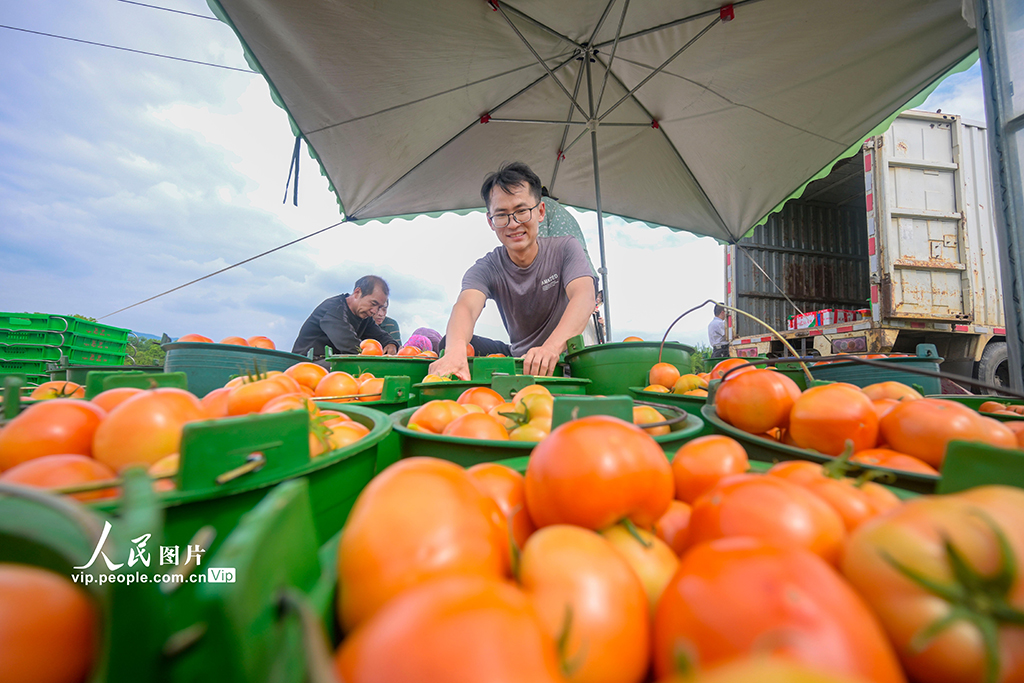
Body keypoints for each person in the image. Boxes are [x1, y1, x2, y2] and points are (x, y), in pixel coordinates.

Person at [429, 162, 597, 380]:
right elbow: (466, 307)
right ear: (490, 222)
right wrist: (454, 351)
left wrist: (550, 348)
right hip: (518, 358)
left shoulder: (565, 248)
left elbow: (584, 296)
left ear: (540, 212)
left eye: (522, 211)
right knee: (450, 343)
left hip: (561, 356)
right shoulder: (487, 268)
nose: (513, 223)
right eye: (502, 215)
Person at [292, 275, 398, 360]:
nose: (374, 311)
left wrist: (391, 344)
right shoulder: (334, 309)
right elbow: (349, 344)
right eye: (373, 303)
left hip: (332, 363)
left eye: (379, 307)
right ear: (357, 293)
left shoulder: (365, 317)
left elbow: (380, 335)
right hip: (307, 362)